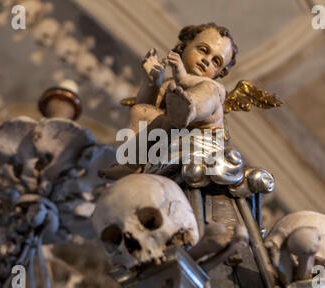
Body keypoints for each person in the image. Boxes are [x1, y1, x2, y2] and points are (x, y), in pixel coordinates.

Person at [99, 23, 238, 180]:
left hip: (200, 146)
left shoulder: (214, 87)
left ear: (221, 72)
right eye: (203, 50)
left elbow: (193, 85)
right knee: (140, 111)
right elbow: (148, 108)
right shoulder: (169, 85)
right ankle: (130, 165)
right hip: (168, 138)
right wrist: (152, 82)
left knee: (207, 90)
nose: (207, 60)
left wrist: (182, 76)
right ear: (184, 46)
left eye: (216, 62)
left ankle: (188, 111)